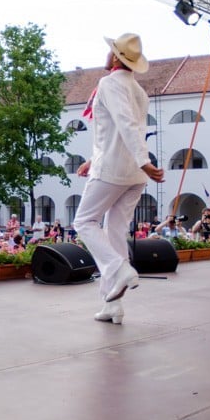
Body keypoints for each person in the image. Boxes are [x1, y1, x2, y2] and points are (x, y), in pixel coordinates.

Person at [73, 33, 164, 325]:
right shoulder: (139, 91)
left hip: (116, 170)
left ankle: (119, 268)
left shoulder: (109, 84)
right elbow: (117, 131)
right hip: (132, 173)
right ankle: (113, 304)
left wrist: (144, 160)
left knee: (84, 222)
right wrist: (94, 159)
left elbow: (125, 125)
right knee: (114, 231)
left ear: (115, 57)